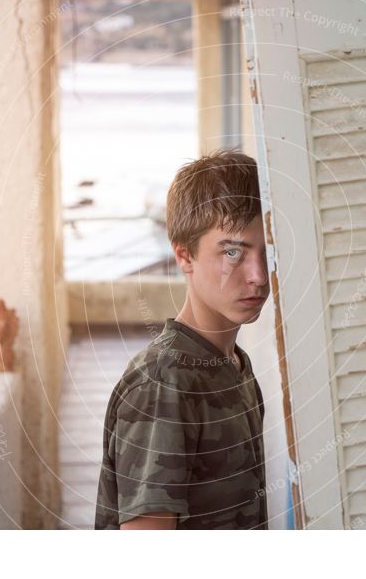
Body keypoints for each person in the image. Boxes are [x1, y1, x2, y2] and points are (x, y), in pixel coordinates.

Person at [94, 148, 271, 530]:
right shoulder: (164, 383)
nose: (258, 275)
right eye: (233, 252)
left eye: (267, 250)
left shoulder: (236, 365)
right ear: (184, 255)